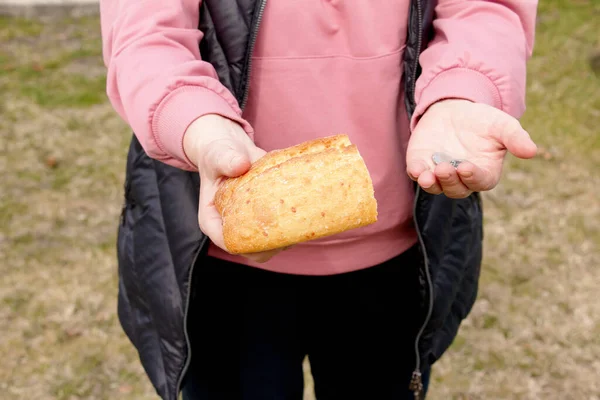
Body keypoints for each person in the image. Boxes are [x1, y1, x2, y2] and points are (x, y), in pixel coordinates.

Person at [99, 1, 538, 399]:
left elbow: (483, 8)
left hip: (400, 253)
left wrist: (462, 90)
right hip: (216, 261)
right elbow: (145, 33)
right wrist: (196, 123)